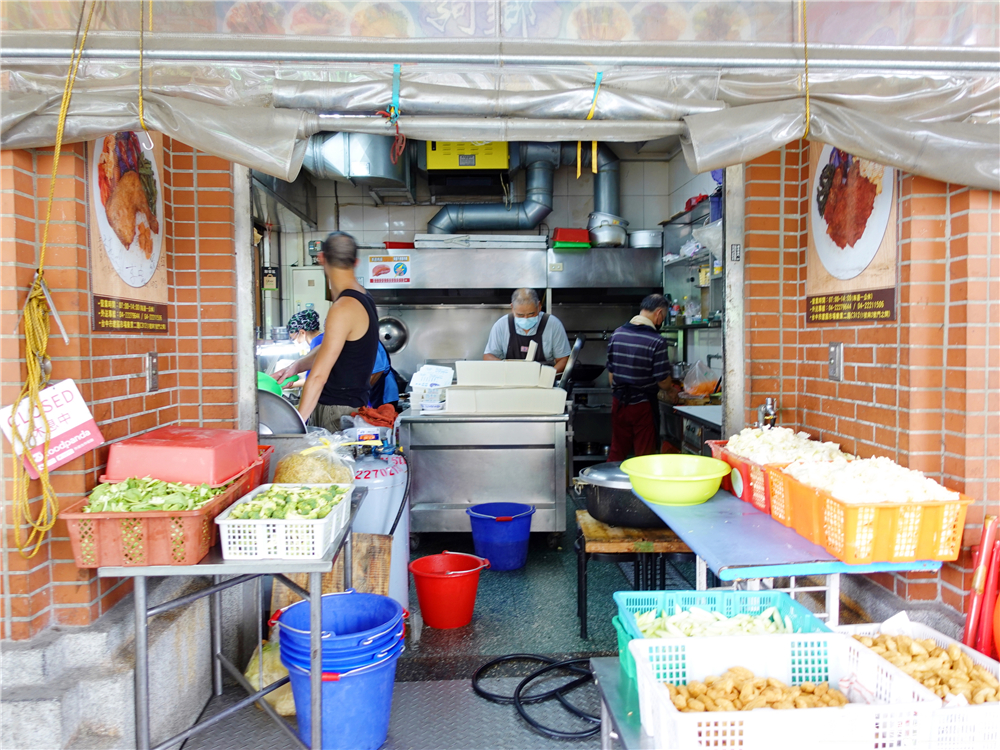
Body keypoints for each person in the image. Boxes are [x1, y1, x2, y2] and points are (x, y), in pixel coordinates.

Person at [273, 232, 379, 432]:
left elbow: (319, 377)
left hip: (336, 410)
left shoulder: (343, 307)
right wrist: (295, 367)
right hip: (349, 407)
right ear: (356, 262)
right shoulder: (364, 298)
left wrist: (296, 427)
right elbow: (330, 347)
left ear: (321, 258)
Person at [605, 294, 671, 462]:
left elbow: (611, 375)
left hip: (619, 402)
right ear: (658, 314)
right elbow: (663, 382)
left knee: (618, 449)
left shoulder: (617, 334)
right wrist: (671, 390)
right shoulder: (657, 341)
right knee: (644, 454)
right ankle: (642, 488)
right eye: (663, 316)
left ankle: (609, 487)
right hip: (643, 405)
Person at [483, 288, 572, 372]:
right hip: (510, 380)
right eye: (520, 315)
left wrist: (547, 376)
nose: (525, 319)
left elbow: (564, 359)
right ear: (512, 308)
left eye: (531, 314)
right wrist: (506, 367)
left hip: (543, 383)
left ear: (539, 306)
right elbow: (488, 356)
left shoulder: (553, 324)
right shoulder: (502, 325)